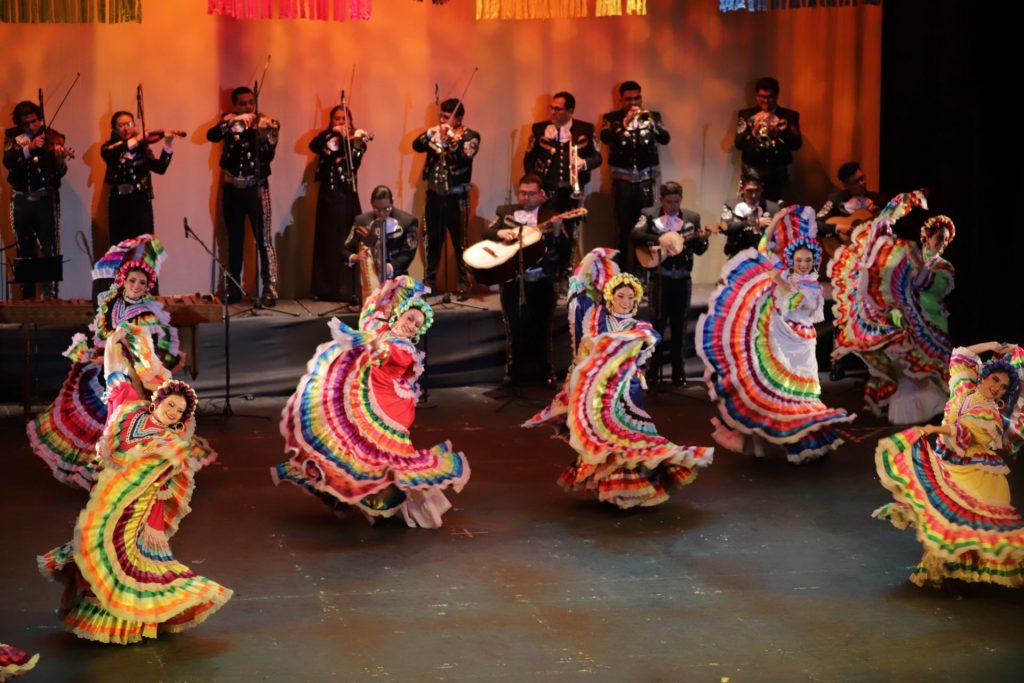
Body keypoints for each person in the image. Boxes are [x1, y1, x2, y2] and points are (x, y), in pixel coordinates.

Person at [38, 327, 232, 644]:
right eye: (170, 404)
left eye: (179, 412)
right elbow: (114, 373)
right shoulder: (129, 406)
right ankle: (105, 613)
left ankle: (133, 622)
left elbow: (165, 478)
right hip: (109, 500)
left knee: (131, 563)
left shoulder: (171, 442)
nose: (172, 412)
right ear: (158, 400)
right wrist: (115, 341)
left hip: (140, 510)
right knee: (98, 554)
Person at [273, 276, 469, 528]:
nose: (412, 326)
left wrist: (365, 341)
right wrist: (373, 268)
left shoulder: (405, 350)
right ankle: (344, 494)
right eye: (410, 318)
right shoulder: (381, 329)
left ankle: (378, 501)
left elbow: (385, 351)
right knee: (347, 453)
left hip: (388, 412)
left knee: (378, 461)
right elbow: (372, 304)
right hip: (367, 402)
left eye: (418, 325)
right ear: (398, 315)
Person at [524, 248, 713, 508]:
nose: (625, 301)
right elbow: (578, 300)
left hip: (627, 393)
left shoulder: (640, 328)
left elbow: (648, 342)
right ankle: (610, 487)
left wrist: (628, 347)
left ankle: (626, 490)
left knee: (627, 439)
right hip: (600, 394)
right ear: (610, 298)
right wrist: (590, 263)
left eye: (630, 297)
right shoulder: (596, 320)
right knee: (604, 439)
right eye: (620, 296)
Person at [26, 236, 210, 490]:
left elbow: (153, 348)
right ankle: (112, 477)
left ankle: (136, 477)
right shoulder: (111, 304)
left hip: (134, 378)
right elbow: (105, 336)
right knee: (109, 426)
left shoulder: (148, 314)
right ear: (124, 280)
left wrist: (163, 359)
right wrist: (99, 352)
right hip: (111, 374)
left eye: (142, 282)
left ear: (147, 287)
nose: (136, 286)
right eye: (132, 280)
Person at [697, 206, 855, 463]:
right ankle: (761, 442)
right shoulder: (784, 271)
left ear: (814, 261)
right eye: (799, 260)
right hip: (778, 337)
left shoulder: (812, 285)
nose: (803, 265)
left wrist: (780, 281)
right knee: (768, 391)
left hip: (801, 344)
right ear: (792, 260)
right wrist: (776, 221)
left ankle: (802, 443)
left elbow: (799, 301)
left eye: (807, 261)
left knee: (799, 395)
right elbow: (762, 249)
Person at [874, 342, 1024, 588]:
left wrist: (933, 429)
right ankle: (946, 566)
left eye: (1004, 387)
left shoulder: (990, 413)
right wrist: (994, 346)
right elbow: (961, 355)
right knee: (948, 518)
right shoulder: (965, 389)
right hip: (951, 463)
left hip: (979, 475)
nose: (997, 388)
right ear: (984, 376)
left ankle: (948, 567)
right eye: (995, 379)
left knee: (963, 522)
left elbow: (963, 431)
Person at [829, 192, 953, 424]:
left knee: (925, 368)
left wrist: (915, 268)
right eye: (939, 238)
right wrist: (898, 205)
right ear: (927, 237)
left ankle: (925, 412)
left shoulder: (942, 266)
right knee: (899, 361)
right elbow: (882, 251)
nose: (943, 243)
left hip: (931, 323)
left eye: (946, 240)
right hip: (907, 320)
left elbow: (930, 285)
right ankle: (906, 411)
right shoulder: (907, 255)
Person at [482, 174, 566, 385]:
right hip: (513, 281)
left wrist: (557, 232)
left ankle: (545, 372)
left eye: (531, 194)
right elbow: (487, 232)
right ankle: (514, 373)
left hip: (541, 280)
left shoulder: (550, 215)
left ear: (541, 194)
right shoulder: (506, 212)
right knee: (514, 328)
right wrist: (501, 233)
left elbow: (562, 250)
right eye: (522, 193)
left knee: (542, 328)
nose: (526, 197)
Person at [205, 86, 280, 306]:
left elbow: (268, 157)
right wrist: (231, 123)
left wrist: (265, 135)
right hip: (231, 188)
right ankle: (233, 289)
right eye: (243, 103)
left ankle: (270, 289)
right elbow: (211, 136)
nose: (248, 107)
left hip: (257, 189)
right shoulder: (229, 122)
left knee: (264, 241)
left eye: (251, 103)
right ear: (235, 105)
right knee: (234, 241)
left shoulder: (265, 123)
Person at [631, 181, 710, 386]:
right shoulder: (649, 214)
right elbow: (635, 234)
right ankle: (652, 371)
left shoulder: (692, 218)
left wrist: (703, 239)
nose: (673, 206)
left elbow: (700, 250)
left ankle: (678, 371)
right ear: (661, 200)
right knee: (656, 324)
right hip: (659, 279)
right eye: (669, 202)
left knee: (679, 326)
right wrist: (662, 238)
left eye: (676, 202)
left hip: (682, 278)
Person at [524, 91, 600, 275]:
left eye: (558, 109)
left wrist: (584, 163)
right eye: (552, 108)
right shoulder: (539, 129)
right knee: (546, 232)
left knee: (570, 233)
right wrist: (535, 188)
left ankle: (566, 274)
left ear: (570, 110)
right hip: (547, 192)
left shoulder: (586, 129)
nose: (553, 112)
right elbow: (529, 160)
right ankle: (548, 274)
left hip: (572, 192)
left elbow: (597, 157)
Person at [412, 98, 480, 300]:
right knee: (432, 239)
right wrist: (429, 133)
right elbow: (416, 145)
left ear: (459, 118)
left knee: (460, 241)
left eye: (447, 117)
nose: (442, 120)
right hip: (435, 194)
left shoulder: (470, 136)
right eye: (441, 116)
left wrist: (451, 142)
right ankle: (430, 283)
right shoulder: (436, 133)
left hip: (456, 197)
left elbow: (465, 158)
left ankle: (463, 283)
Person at [600, 81, 670, 270]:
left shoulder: (652, 116)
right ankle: (624, 271)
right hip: (623, 181)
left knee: (647, 226)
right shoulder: (611, 118)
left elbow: (665, 139)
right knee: (624, 227)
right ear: (621, 100)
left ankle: (645, 271)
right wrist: (624, 124)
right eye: (628, 99)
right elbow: (605, 137)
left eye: (637, 98)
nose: (633, 103)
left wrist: (652, 124)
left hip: (647, 179)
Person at [3, 100, 69, 299]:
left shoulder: (52, 137)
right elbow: (9, 161)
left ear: (40, 120)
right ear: (20, 124)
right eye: (26, 123)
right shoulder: (14, 138)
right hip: (21, 201)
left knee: (49, 247)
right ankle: (27, 296)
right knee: (24, 248)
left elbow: (59, 172)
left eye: (34, 121)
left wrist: (59, 159)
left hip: (45, 199)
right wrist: (29, 148)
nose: (32, 127)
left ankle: (49, 294)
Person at [308, 105, 370, 302]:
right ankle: (324, 289)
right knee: (327, 242)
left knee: (348, 243)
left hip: (347, 197)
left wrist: (355, 140)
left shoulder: (356, 141)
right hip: (328, 197)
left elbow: (355, 161)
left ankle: (348, 290)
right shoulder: (327, 139)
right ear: (331, 121)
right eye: (337, 118)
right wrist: (333, 132)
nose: (342, 122)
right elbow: (314, 145)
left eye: (345, 118)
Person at [100, 111, 175, 244]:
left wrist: (168, 145)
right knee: (121, 245)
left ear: (134, 125)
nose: (126, 128)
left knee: (143, 245)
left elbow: (160, 168)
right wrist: (137, 139)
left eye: (129, 124)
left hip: (141, 202)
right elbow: (110, 155)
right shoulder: (109, 148)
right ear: (114, 129)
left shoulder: (142, 148)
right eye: (121, 125)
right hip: (120, 204)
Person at [343, 185, 418, 299]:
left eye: (386, 208)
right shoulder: (361, 220)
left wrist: (390, 267)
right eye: (377, 209)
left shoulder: (407, 221)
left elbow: (408, 254)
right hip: (370, 283)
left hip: (398, 281)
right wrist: (354, 257)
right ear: (371, 204)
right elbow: (345, 250)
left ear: (392, 202)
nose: (382, 213)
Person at [733, 76, 802, 201]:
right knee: (750, 208)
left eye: (770, 97)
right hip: (752, 173)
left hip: (778, 175)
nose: (766, 101)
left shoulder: (789, 116)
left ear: (776, 96)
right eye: (762, 96)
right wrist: (753, 132)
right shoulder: (746, 115)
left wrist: (778, 132)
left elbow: (797, 144)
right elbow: (738, 143)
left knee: (778, 208)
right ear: (757, 96)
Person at [719, 171, 781, 258]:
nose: (753, 195)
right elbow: (724, 228)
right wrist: (753, 222)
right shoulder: (731, 205)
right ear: (742, 189)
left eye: (757, 190)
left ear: (762, 188)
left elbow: (779, 236)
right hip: (737, 254)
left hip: (764, 257)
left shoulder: (773, 208)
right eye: (749, 191)